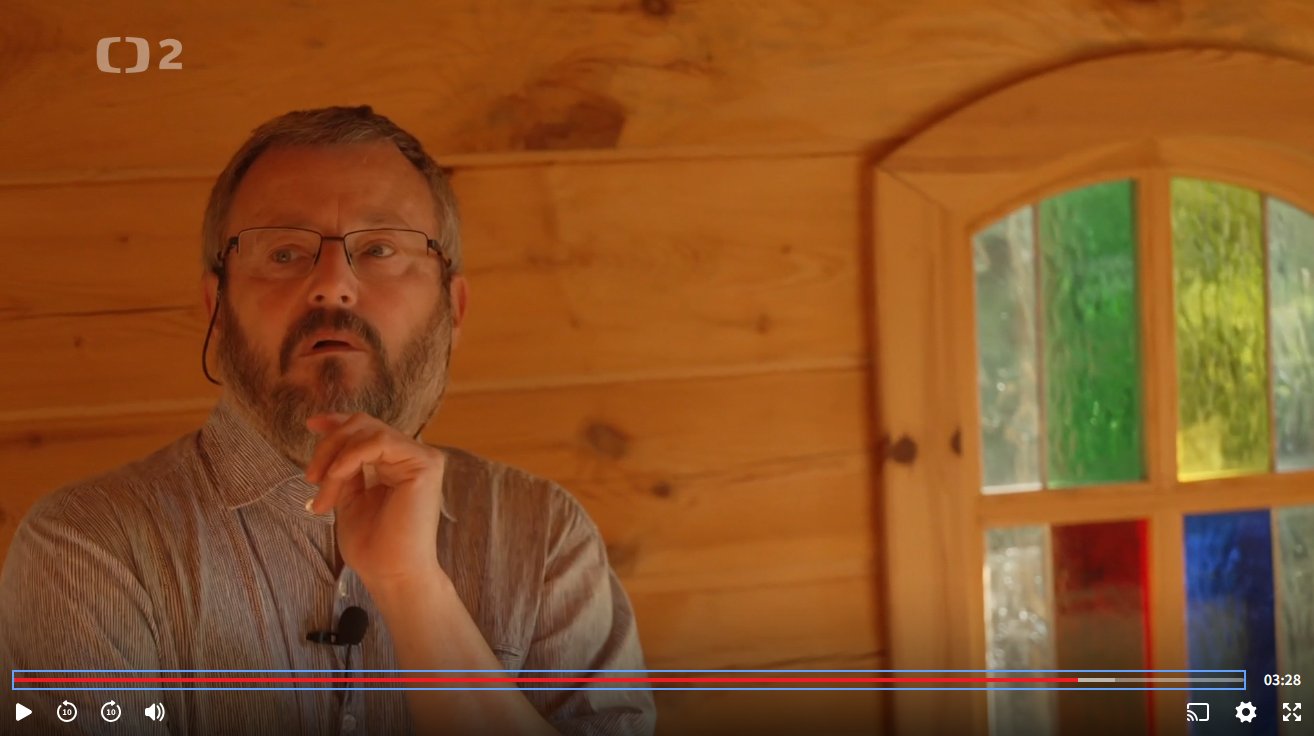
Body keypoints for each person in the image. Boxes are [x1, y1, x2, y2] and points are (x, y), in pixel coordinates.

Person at [0, 105, 657, 735]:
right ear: (217, 308)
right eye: (284, 252)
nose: (333, 285)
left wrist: (413, 589)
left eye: (382, 249)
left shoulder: (544, 537)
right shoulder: (87, 548)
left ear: (452, 309)